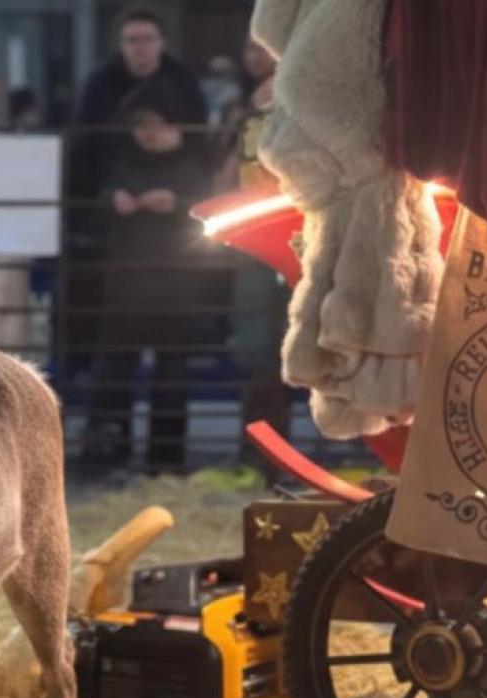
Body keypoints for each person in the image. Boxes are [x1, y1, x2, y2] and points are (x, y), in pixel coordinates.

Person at [65, 8, 207, 385]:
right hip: (115, 226)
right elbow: (83, 153)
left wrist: (179, 197)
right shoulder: (99, 84)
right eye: (132, 40)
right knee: (114, 354)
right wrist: (101, 202)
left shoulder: (182, 81)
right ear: (120, 45)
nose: (140, 48)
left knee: (172, 361)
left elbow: (200, 150)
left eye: (148, 40)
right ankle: (108, 441)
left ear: (161, 43)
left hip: (175, 243)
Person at [85, 80, 212, 475]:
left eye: (155, 124)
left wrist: (177, 205)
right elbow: (92, 215)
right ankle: (110, 452)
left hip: (175, 289)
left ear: (174, 124)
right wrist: (112, 203)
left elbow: (208, 214)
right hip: (126, 289)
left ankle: (166, 460)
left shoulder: (191, 167)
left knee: (171, 377)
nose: (148, 133)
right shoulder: (125, 164)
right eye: (141, 125)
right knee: (115, 373)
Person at [214, 35, 291, 467]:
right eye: (249, 49)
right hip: (253, 233)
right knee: (257, 344)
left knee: (296, 345)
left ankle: (280, 453)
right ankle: (261, 453)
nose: (254, 56)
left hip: (291, 228)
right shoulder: (239, 105)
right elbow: (226, 164)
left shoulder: (300, 101)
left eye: (262, 47)